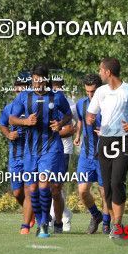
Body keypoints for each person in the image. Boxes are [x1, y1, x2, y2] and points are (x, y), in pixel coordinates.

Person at [86, 58, 128, 239]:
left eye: (101, 70)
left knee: (116, 182)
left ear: (108, 72)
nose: (99, 73)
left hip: (123, 141)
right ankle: (115, 223)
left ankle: (117, 224)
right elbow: (91, 113)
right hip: (105, 141)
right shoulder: (100, 92)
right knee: (106, 186)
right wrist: (90, 119)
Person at [9, 64, 72, 238]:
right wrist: (25, 122)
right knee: (32, 188)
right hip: (29, 150)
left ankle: (44, 223)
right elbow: (12, 118)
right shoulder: (23, 97)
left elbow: (68, 114)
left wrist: (60, 124)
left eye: (40, 80)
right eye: (34, 80)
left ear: (46, 80)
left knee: (44, 184)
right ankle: (40, 220)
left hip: (50, 147)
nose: (37, 83)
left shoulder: (57, 97)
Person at [74, 74, 111, 234]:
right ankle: (96, 215)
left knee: (105, 192)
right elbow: (81, 120)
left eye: (93, 91)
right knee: (82, 190)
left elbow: (120, 125)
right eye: (88, 91)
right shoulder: (81, 104)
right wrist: (77, 133)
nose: (90, 95)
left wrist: (105, 130)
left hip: (104, 155)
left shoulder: (110, 104)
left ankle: (107, 223)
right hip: (86, 154)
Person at [0, 78, 34, 234]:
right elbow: (2, 124)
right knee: (17, 192)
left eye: (23, 89)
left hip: (31, 154)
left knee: (28, 189)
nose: (20, 92)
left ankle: (25, 225)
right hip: (15, 155)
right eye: (18, 89)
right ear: (14, 90)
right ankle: (30, 213)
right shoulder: (9, 108)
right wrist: (8, 134)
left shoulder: (33, 106)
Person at [49, 77, 75, 233]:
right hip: (47, 150)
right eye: (54, 86)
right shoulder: (47, 102)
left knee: (57, 186)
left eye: (59, 86)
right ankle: (64, 215)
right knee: (52, 187)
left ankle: (61, 219)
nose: (56, 89)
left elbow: (71, 129)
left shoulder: (69, 103)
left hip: (64, 150)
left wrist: (55, 132)